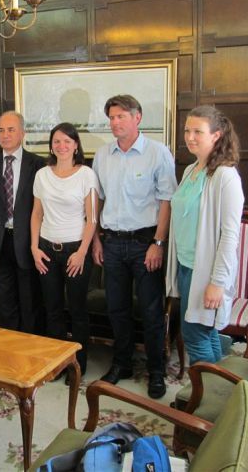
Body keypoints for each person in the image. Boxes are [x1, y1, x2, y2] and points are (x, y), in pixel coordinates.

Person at [92, 94, 176, 399]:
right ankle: (122, 363)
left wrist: (158, 242)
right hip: (112, 243)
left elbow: (167, 200)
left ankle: (156, 370)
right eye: (112, 118)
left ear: (137, 117)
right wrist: (96, 239)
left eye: (121, 117)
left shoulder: (157, 153)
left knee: (151, 311)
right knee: (117, 309)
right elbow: (97, 200)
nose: (115, 123)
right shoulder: (103, 155)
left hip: (145, 243)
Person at [166, 105, 244, 365]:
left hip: (207, 272)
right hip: (186, 265)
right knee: (206, 331)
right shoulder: (191, 170)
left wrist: (217, 283)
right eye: (187, 130)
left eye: (198, 131)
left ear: (216, 135)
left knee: (194, 334)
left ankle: (206, 388)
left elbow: (230, 236)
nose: (190, 137)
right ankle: (219, 386)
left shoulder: (226, 176)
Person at [31, 122, 99, 375]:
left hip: (75, 251)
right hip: (46, 249)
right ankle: (57, 364)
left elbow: (92, 218)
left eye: (67, 141)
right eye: (57, 141)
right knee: (53, 310)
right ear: (51, 146)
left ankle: (78, 365)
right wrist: (34, 247)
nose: (61, 146)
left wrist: (82, 252)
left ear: (76, 145)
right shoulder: (42, 175)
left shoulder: (86, 175)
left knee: (78, 310)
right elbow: (36, 214)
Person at [0, 111, 46, 333]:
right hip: (0, 242)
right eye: (1, 130)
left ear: (22, 133)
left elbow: (43, 209)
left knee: (30, 299)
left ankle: (30, 344)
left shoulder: (38, 164)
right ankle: (10, 345)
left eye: (11, 130)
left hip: (28, 242)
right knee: (5, 300)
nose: (5, 135)